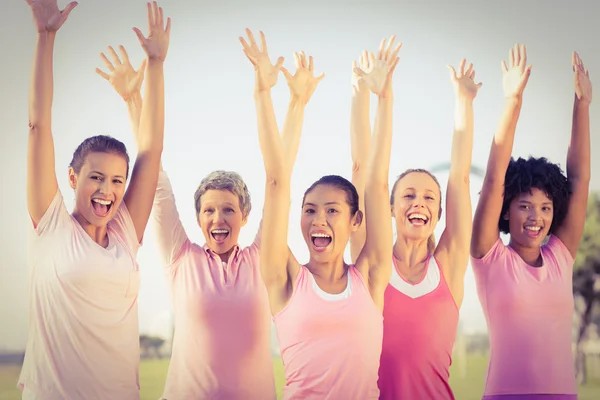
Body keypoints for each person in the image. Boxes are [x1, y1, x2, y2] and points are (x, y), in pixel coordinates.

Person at [95, 31, 310, 400]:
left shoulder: (262, 257)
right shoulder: (181, 258)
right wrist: (133, 100)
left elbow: (279, 180)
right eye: (209, 211)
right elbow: (155, 181)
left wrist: (295, 103)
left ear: (245, 216)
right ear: (198, 219)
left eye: (228, 210)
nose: (218, 219)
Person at [19, 1, 170, 399]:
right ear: (73, 177)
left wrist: (155, 66)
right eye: (96, 178)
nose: (107, 191)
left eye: (117, 181)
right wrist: (46, 37)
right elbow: (38, 126)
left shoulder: (123, 231)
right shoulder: (51, 226)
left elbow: (151, 152)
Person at [242, 29, 397, 399]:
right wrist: (271, 96)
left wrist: (384, 96)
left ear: (355, 221)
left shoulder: (372, 274)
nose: (319, 220)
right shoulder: (283, 277)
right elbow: (277, 180)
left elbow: (375, 183)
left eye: (332, 210)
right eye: (309, 210)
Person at [349, 40, 481, 399]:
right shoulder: (372, 261)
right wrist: (365, 93)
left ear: (440, 213)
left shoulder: (449, 266)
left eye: (428, 198)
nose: (417, 203)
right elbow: (364, 171)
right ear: (390, 207)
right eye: (408, 195)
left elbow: (461, 178)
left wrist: (463, 103)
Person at [470, 44, 591, 399]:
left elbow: (580, 180)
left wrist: (582, 106)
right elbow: (493, 179)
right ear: (507, 209)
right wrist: (512, 102)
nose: (536, 217)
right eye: (525, 205)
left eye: (545, 207)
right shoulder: (490, 258)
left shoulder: (560, 256)